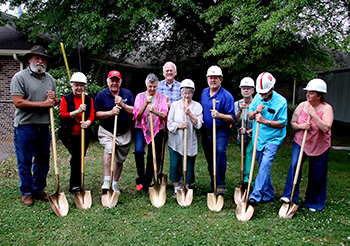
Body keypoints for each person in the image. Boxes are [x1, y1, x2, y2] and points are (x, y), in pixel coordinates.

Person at [11, 45, 59, 206]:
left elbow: (53, 102)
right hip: (25, 126)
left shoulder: (49, 79)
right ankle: (26, 191)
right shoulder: (20, 77)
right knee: (25, 160)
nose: (40, 61)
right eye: (37, 58)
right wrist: (44, 104)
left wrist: (54, 100)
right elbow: (18, 102)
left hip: (44, 127)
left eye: (43, 59)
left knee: (43, 160)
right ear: (29, 59)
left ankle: (38, 189)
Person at [281, 79, 333, 212]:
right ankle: (290, 196)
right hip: (301, 143)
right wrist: (301, 126)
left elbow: (326, 128)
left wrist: (314, 115)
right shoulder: (302, 105)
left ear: (319, 95)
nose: (307, 95)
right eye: (307, 92)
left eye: (311, 93)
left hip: (320, 145)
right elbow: (292, 123)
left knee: (317, 174)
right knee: (294, 166)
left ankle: (314, 202)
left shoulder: (327, 108)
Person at [247, 72, 288, 206]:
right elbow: (249, 116)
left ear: (272, 88)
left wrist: (265, 121)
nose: (261, 95)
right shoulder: (258, 98)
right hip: (259, 138)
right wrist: (255, 112)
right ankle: (269, 194)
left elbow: (282, 123)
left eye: (264, 93)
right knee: (263, 167)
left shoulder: (281, 102)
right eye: (260, 92)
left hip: (274, 139)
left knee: (265, 164)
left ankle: (255, 195)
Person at [94, 70, 134, 192]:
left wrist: (123, 105)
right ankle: (106, 181)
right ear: (108, 81)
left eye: (117, 80)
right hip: (107, 131)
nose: (114, 83)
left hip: (124, 133)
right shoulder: (101, 95)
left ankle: (115, 183)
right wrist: (110, 113)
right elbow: (96, 114)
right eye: (112, 80)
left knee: (119, 159)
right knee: (109, 149)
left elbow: (136, 111)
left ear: (120, 82)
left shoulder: (127, 94)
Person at [200, 65, 235, 196]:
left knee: (219, 153)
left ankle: (220, 184)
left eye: (215, 78)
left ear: (221, 79)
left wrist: (219, 115)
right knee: (209, 157)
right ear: (207, 79)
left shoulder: (227, 96)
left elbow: (232, 118)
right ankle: (213, 183)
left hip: (221, 131)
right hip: (207, 131)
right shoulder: (204, 93)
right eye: (210, 77)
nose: (213, 80)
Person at [58, 72, 95, 193]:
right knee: (77, 157)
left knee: (79, 157)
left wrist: (88, 123)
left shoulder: (88, 99)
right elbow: (63, 115)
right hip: (68, 135)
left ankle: (77, 184)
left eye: (81, 85)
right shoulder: (66, 98)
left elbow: (92, 115)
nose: (79, 88)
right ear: (72, 86)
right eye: (76, 85)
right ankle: (74, 185)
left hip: (83, 135)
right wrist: (77, 111)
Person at [167, 79, 203, 197]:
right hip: (175, 141)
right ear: (180, 93)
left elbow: (199, 124)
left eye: (189, 92)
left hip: (190, 141)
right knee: (174, 164)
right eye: (184, 93)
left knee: (189, 164)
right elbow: (169, 124)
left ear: (193, 93)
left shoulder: (197, 106)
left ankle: (186, 188)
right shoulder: (175, 106)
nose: (187, 95)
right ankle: (177, 188)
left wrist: (190, 114)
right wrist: (179, 126)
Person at [133, 73, 168, 193]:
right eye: (150, 86)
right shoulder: (140, 96)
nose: (152, 89)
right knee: (138, 151)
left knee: (153, 155)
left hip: (157, 128)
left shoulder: (162, 98)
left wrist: (155, 111)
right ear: (146, 85)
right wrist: (145, 104)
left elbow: (164, 115)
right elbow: (137, 116)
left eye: (154, 87)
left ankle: (148, 182)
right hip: (141, 128)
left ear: (157, 86)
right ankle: (141, 179)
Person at [234, 77, 255, 190]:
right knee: (244, 157)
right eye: (243, 88)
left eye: (248, 88)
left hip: (253, 136)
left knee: (249, 153)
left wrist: (247, 131)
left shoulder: (257, 104)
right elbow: (234, 121)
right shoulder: (237, 104)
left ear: (253, 90)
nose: (246, 90)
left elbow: (259, 123)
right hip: (241, 137)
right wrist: (239, 111)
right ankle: (244, 179)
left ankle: (247, 180)